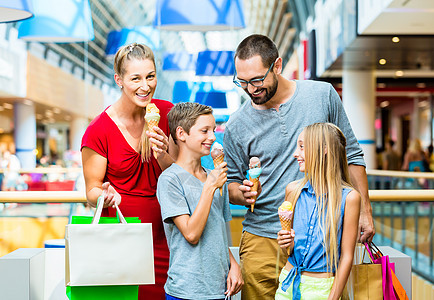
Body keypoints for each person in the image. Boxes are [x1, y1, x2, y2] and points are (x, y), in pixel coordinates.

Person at [223, 34, 374, 299]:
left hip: (323, 236)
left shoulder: (322, 95)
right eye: (242, 82)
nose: (250, 89)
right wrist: (242, 193)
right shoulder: (237, 124)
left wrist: (364, 210)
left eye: (257, 80)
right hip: (263, 238)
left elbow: (351, 154)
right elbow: (230, 184)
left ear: (277, 65)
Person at [81, 43, 176, 299]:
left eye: (150, 76)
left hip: (172, 235)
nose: (145, 86)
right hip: (123, 241)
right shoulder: (98, 130)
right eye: (135, 78)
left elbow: (183, 177)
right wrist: (102, 195)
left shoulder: (168, 113)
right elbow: (91, 190)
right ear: (119, 80)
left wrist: (164, 154)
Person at [157, 102, 243, 299]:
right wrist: (210, 187)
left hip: (220, 289)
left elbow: (218, 234)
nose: (212, 137)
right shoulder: (170, 179)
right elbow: (191, 233)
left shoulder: (214, 176)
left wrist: (234, 265)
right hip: (186, 291)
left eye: (213, 130)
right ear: (181, 134)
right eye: (204, 131)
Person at [275, 123, 360, 300]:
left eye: (302, 146)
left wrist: (333, 297)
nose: (295, 154)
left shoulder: (349, 198)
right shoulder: (293, 191)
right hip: (288, 283)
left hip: (322, 289)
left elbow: (346, 257)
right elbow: (289, 251)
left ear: (324, 149)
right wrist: (286, 243)